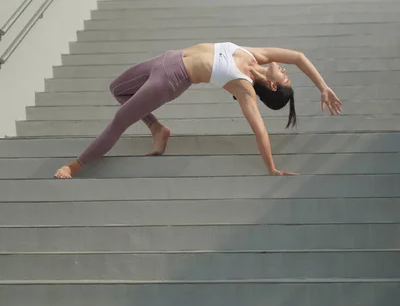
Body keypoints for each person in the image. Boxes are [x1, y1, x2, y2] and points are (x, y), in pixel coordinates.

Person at [54, 42, 342, 178]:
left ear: (275, 88)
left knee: (120, 120)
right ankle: (157, 129)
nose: (285, 70)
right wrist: (323, 86)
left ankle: (74, 165)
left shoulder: (244, 89)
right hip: (166, 58)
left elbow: (260, 131)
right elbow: (299, 57)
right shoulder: (258, 55)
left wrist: (271, 168)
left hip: (169, 80)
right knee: (118, 89)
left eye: (286, 77)